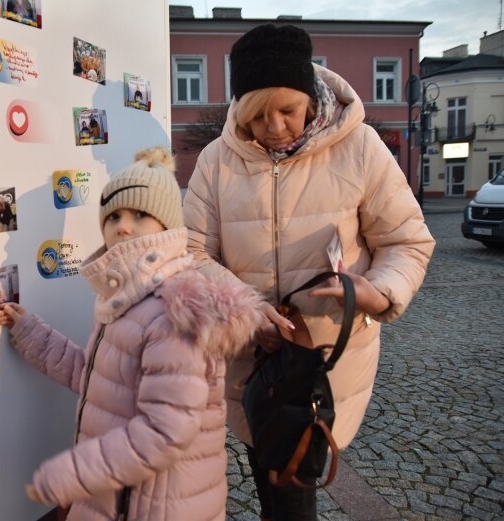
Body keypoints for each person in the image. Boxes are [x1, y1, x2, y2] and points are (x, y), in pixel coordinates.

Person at [182, 24, 435, 520]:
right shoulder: (216, 160)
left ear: (310, 98)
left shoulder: (360, 148)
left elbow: (407, 241)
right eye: (257, 116)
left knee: (291, 490)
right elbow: (191, 253)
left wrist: (379, 293)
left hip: (326, 364)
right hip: (251, 359)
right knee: (272, 477)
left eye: (287, 111)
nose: (274, 128)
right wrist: (245, 308)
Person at [0, 148, 266, 520]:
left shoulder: (172, 312)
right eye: (114, 216)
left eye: (140, 215)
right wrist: (29, 332)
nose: (122, 226)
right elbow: (98, 380)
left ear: (167, 227)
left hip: (151, 505)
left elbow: (166, 430)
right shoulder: (126, 299)